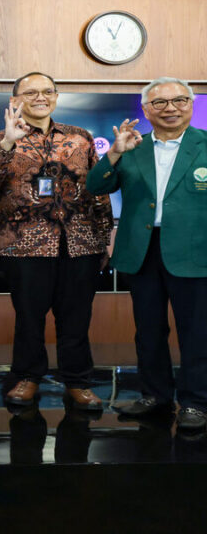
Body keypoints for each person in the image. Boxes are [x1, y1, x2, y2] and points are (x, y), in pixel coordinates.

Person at [0, 72, 113, 411]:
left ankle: (78, 382)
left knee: (76, 318)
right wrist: (8, 143)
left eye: (47, 91)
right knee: (28, 318)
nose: (40, 97)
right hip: (24, 244)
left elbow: (98, 189)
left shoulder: (80, 137)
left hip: (80, 242)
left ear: (56, 96)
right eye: (31, 92)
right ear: (15, 100)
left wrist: (104, 236)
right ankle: (27, 377)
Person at [86, 77, 207, 432]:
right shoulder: (132, 146)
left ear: (191, 104)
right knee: (149, 330)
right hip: (142, 250)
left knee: (197, 332)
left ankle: (196, 402)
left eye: (179, 100)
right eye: (160, 102)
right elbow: (96, 185)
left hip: (194, 251)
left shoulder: (204, 143)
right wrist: (114, 152)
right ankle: (155, 396)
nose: (171, 108)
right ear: (145, 110)